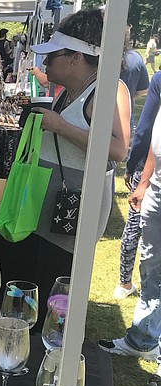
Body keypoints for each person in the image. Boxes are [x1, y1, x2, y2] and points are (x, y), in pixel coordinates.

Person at [29, 8, 131, 255]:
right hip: (47, 215)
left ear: (76, 57)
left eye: (52, 56)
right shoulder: (67, 91)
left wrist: (60, 126)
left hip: (72, 218)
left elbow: (118, 149)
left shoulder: (109, 90)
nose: (45, 63)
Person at [99, 74, 161, 367]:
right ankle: (143, 338)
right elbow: (152, 134)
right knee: (150, 265)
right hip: (157, 186)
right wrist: (145, 181)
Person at [115, 29, 151, 300]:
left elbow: (146, 127)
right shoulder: (138, 60)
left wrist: (132, 164)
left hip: (147, 160)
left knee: (135, 222)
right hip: (126, 130)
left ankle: (125, 282)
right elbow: (141, 92)